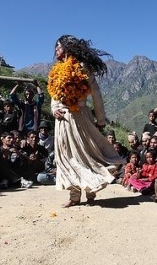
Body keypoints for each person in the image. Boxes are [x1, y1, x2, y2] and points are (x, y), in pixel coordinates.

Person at [48, 35, 125, 208]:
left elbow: (96, 94)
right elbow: (53, 95)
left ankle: (90, 192)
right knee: (67, 157)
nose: (56, 50)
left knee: (85, 155)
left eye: (58, 46)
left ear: (67, 48)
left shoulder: (82, 67)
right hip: (62, 121)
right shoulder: (56, 69)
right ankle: (74, 196)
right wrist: (54, 109)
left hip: (80, 116)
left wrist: (101, 119)